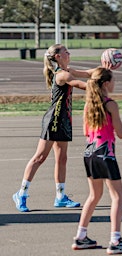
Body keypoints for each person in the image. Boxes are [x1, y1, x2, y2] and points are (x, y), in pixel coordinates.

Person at [72, 67, 122, 253]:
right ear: (106, 83)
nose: (115, 83)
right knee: (118, 196)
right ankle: (116, 241)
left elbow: (86, 132)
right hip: (105, 153)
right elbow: (121, 133)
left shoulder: (89, 104)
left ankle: (81, 236)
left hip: (90, 152)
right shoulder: (110, 104)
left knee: (94, 196)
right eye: (113, 80)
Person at [12, 44, 96, 212]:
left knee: (62, 158)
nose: (69, 53)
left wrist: (104, 69)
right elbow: (83, 84)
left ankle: (60, 196)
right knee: (39, 158)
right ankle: (21, 194)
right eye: (65, 51)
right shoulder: (62, 75)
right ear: (58, 56)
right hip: (53, 120)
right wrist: (101, 83)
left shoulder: (68, 70)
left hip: (64, 120)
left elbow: (87, 74)